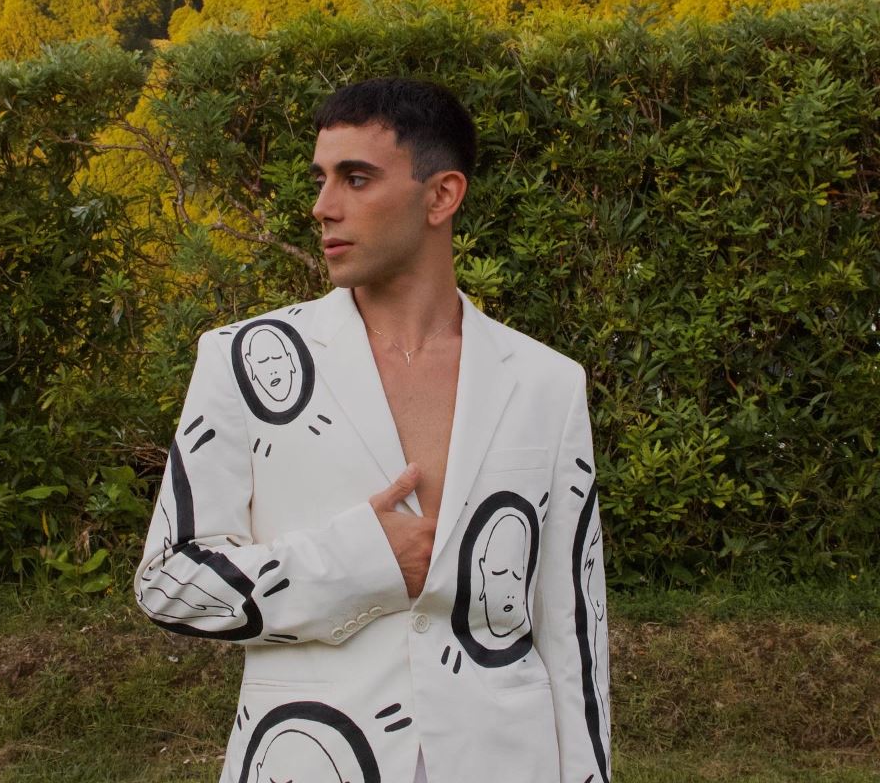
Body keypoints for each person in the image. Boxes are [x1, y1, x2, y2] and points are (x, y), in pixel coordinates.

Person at [134, 76, 611, 783]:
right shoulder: (245, 361)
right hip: (308, 757)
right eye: (321, 179)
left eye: (356, 179)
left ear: (441, 196)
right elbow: (169, 580)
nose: (323, 206)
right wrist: (357, 561)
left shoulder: (547, 383)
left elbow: (575, 630)